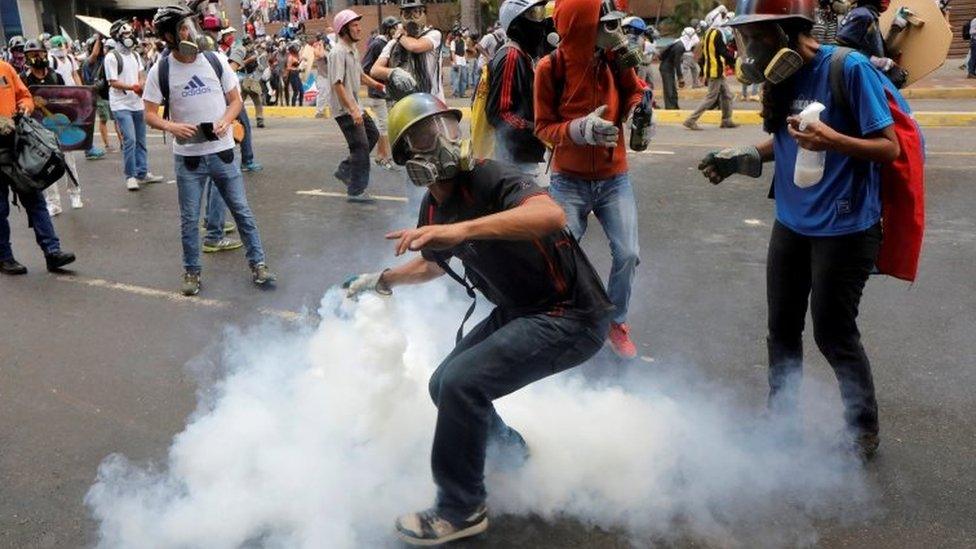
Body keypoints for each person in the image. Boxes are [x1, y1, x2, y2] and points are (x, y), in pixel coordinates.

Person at [343, 93, 612, 545]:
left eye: (449, 126)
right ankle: (511, 454)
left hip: (571, 314)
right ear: (411, 159)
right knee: (441, 385)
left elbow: (550, 214)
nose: (448, 139)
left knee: (463, 384)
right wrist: (383, 279)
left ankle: (460, 508)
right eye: (431, 134)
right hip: (521, 310)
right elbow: (432, 262)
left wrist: (462, 229)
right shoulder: (434, 207)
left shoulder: (492, 176)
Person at [698, 0, 911, 460]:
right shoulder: (783, 78)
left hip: (847, 227)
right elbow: (785, 140)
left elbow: (888, 148)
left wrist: (832, 140)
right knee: (781, 329)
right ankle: (781, 421)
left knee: (833, 333)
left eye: (758, 36)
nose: (750, 47)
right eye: (746, 37)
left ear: (787, 33)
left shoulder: (848, 68)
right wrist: (742, 158)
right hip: (792, 223)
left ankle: (862, 431)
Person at [534, 0, 645, 359]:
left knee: (628, 253)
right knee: (561, 253)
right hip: (569, 181)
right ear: (582, 27)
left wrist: (640, 111)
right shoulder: (549, 68)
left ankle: (616, 321)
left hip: (615, 178)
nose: (616, 33)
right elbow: (543, 127)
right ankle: (561, 319)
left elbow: (633, 92)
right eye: (606, 25)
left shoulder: (613, 58)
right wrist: (580, 130)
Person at [143, 4, 277, 296]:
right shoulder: (161, 69)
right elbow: (149, 113)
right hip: (188, 160)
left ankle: (259, 264)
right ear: (168, 36)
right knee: (190, 220)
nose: (190, 32)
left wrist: (226, 121)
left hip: (222, 152)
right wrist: (171, 127)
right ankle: (192, 272)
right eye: (182, 28)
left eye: (190, 25)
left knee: (241, 211)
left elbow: (236, 101)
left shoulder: (215, 60)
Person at [0, 58, 76, 275]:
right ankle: (4, 257)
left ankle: (53, 252)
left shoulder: (5, 68)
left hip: (16, 145)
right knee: (0, 209)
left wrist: (24, 107)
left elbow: (24, 95)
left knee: (34, 197)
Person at [19, 40, 84, 216]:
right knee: (45, 164)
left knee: (69, 160)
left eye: (40, 53)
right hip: (38, 130)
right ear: (27, 58)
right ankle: (53, 202)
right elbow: (21, 102)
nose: (38, 58)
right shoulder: (24, 79)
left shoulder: (56, 76)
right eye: (33, 55)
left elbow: (67, 99)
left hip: (60, 125)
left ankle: (75, 193)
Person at [329, 9, 384, 203]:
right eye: (354, 25)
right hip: (345, 109)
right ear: (343, 29)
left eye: (358, 24)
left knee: (373, 134)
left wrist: (376, 84)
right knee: (360, 146)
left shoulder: (351, 49)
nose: (359, 28)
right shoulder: (338, 52)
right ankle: (356, 189)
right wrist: (352, 110)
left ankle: (345, 169)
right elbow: (337, 84)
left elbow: (360, 75)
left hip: (355, 105)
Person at [487, 0, 549, 172]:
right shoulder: (511, 57)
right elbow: (499, 113)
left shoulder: (522, 55)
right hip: (515, 160)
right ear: (516, 23)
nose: (540, 22)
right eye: (532, 15)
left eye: (540, 13)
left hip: (523, 155)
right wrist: (537, 128)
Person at [106, 18, 164, 191]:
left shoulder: (135, 55)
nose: (129, 36)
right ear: (117, 36)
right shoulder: (111, 57)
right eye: (124, 33)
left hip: (137, 103)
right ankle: (130, 176)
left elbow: (141, 75)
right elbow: (113, 82)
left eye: (130, 32)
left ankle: (142, 172)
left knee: (141, 140)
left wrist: (141, 85)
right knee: (130, 140)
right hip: (120, 104)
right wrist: (133, 87)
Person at [369, 0, 444, 102]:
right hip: (404, 104)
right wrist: (393, 73)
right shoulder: (393, 44)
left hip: (432, 101)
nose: (411, 18)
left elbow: (414, 47)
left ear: (424, 14)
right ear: (401, 15)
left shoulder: (433, 35)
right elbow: (374, 70)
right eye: (407, 13)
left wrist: (399, 35)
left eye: (416, 12)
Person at [683, 7, 737, 131]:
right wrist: (735, 56)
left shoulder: (709, 33)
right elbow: (723, 51)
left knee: (727, 95)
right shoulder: (716, 33)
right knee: (711, 97)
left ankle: (726, 120)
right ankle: (691, 120)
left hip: (716, 69)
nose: (723, 18)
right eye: (722, 16)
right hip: (715, 70)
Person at [362, 16, 400, 169]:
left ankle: (380, 156)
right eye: (394, 28)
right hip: (378, 93)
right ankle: (386, 158)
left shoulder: (387, 43)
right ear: (387, 30)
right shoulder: (378, 44)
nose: (397, 31)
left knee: (383, 125)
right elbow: (365, 68)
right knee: (384, 126)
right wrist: (378, 82)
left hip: (385, 93)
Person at [82, 34, 118, 157]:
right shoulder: (89, 62)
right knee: (103, 119)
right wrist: (98, 38)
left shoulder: (105, 59)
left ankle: (122, 142)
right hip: (96, 95)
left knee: (116, 118)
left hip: (108, 93)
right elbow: (95, 54)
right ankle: (107, 144)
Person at [657, 36, 684, 109]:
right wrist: (680, 77)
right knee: (669, 88)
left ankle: (674, 106)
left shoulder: (678, 44)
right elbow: (677, 62)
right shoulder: (679, 46)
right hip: (666, 68)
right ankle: (670, 107)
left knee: (672, 88)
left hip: (668, 67)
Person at [312, 33, 330, 118]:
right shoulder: (316, 49)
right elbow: (321, 55)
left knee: (331, 94)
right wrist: (321, 44)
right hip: (322, 76)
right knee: (322, 93)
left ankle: (332, 110)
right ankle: (319, 111)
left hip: (330, 75)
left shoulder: (328, 48)